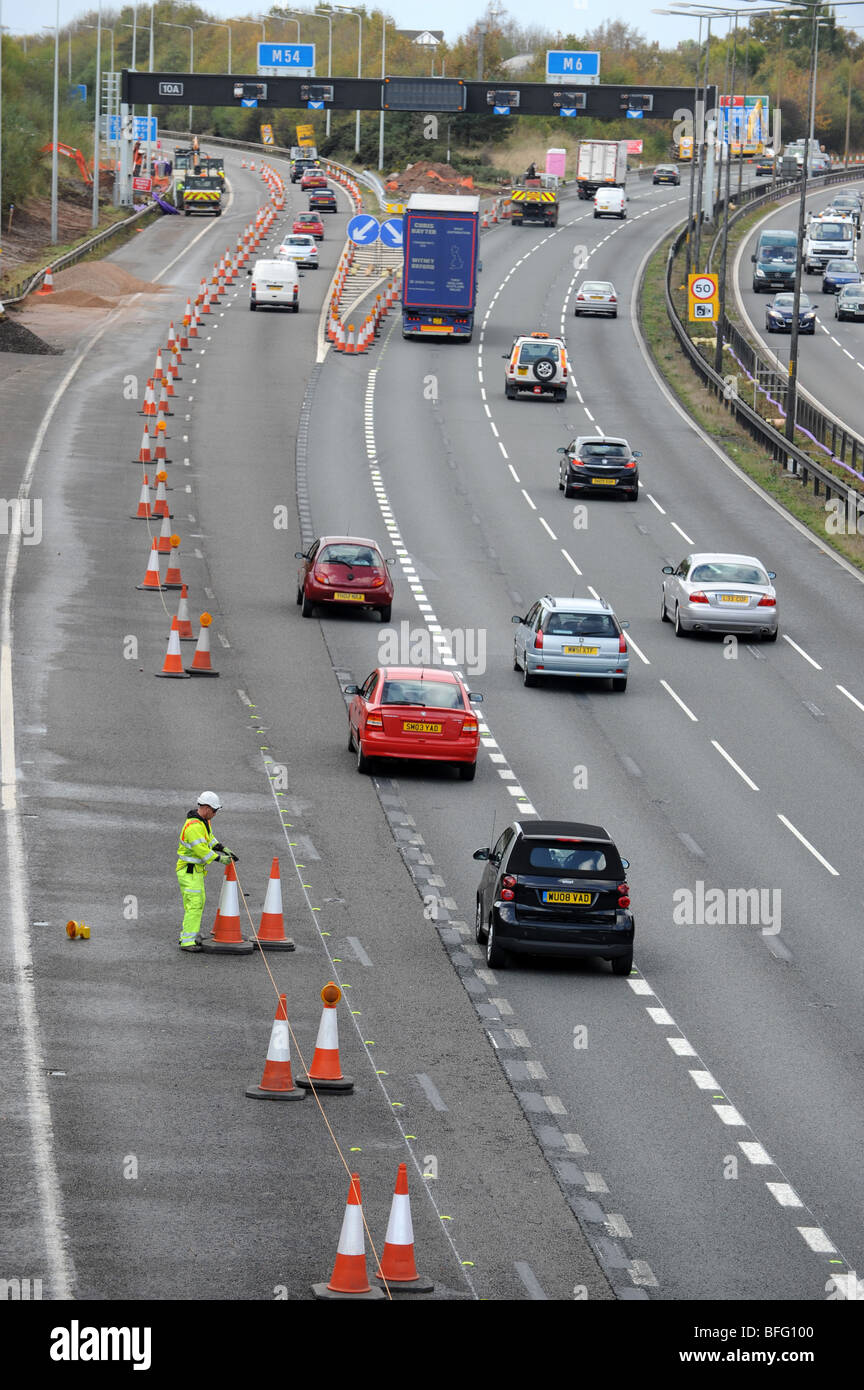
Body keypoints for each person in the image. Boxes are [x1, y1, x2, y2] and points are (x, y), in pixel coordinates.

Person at [176, 792, 238, 952]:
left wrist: (222, 847)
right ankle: (187, 941)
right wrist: (220, 859)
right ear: (206, 807)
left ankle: (189, 935)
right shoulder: (193, 827)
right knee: (195, 904)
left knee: (197, 902)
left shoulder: (204, 822)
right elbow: (201, 850)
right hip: (188, 871)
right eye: (215, 810)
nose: (216, 813)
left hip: (195, 871)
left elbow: (209, 839)